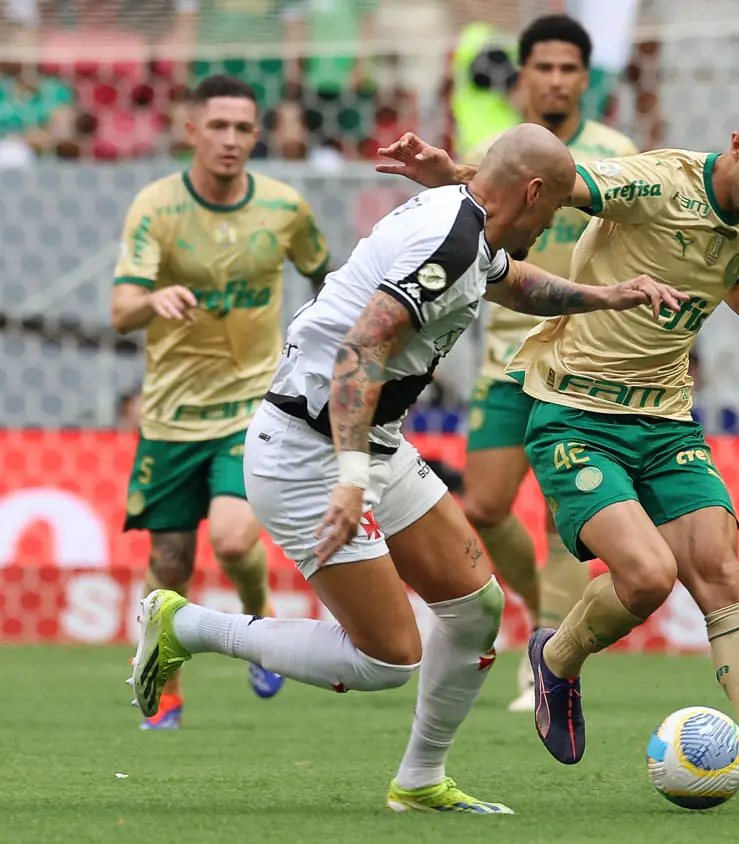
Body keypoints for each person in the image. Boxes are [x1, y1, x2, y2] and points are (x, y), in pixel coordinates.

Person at [127, 124, 688, 814]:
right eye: (556, 209)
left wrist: (605, 296)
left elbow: (515, 285)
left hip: (368, 441)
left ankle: (421, 782)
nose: (555, 224)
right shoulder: (451, 237)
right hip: (312, 451)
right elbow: (361, 348)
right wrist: (351, 478)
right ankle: (186, 627)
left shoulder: (471, 225)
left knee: (474, 607)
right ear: (534, 193)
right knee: (387, 659)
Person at [375, 88, 739, 812]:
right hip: (576, 414)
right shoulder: (654, 181)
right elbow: (547, 184)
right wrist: (457, 176)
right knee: (646, 577)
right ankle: (557, 655)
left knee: (722, 571)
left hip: (667, 421)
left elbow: (732, 270)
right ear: (734, 143)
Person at [111, 74, 331, 730]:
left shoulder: (286, 207)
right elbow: (121, 308)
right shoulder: (156, 207)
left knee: (235, 540)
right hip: (171, 416)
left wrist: (321, 348)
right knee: (170, 562)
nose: (231, 140)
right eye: (218, 127)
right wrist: (152, 299)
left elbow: (328, 276)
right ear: (192, 130)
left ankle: (258, 631)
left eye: (243, 128)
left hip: (252, 406)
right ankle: (169, 694)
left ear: (256, 134)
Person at [462, 14, 639, 715]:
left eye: (570, 69)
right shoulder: (490, 153)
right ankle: (544, 606)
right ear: (525, 75)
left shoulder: (617, 155)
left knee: (565, 517)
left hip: (585, 360)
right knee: (484, 504)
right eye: (546, 68)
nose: (558, 80)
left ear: (583, 78)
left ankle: (542, 661)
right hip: (506, 355)